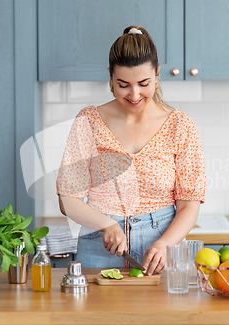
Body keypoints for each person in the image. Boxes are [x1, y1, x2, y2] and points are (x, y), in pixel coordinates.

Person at [56, 26, 206, 276]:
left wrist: (165, 244)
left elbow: (189, 204)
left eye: (143, 83)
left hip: (160, 247)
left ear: (157, 75)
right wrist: (107, 224)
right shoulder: (89, 121)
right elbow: (67, 200)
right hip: (98, 246)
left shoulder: (180, 125)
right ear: (110, 78)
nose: (134, 95)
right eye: (123, 84)